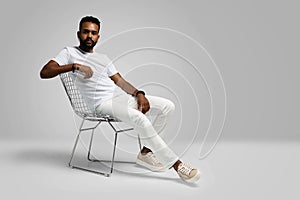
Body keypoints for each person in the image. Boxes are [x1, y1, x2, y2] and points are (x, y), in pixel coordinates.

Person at [40, 16, 200, 183]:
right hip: (100, 105)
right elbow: (45, 72)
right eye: (86, 32)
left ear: (98, 37)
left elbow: (121, 82)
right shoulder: (69, 53)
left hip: (120, 99)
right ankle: (177, 165)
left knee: (168, 106)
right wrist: (75, 66)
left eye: (93, 33)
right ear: (79, 33)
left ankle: (145, 153)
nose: (89, 36)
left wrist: (139, 93)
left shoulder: (103, 58)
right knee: (140, 118)